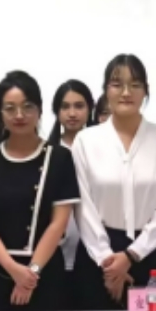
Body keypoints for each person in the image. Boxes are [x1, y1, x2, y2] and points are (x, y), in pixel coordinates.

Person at [72, 54, 156, 310]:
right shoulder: (86, 141)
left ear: (145, 91)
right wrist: (108, 261)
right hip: (97, 256)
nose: (126, 92)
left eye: (135, 84)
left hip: (151, 253)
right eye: (117, 84)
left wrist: (131, 255)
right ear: (105, 90)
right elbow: (83, 206)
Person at [0, 71, 79, 311]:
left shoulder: (59, 158)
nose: (19, 115)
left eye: (27, 107)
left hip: (44, 274)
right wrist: (13, 269)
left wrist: (31, 274)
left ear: (40, 110)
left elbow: (58, 224)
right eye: (10, 108)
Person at [48, 80, 97, 284]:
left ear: (90, 109)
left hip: (96, 246)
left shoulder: (102, 149)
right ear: (56, 111)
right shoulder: (47, 152)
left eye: (79, 106)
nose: (72, 113)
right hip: (55, 246)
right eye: (65, 107)